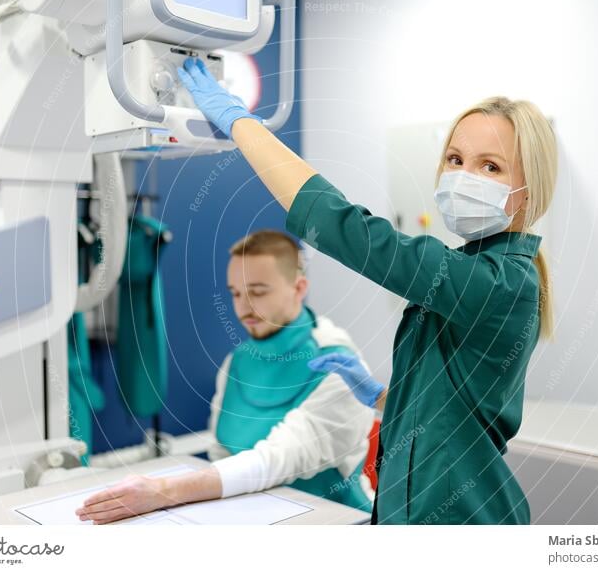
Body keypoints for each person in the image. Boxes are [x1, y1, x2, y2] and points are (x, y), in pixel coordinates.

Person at [169, 58, 558, 525]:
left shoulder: (501, 283)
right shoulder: (476, 270)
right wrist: (384, 398)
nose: (463, 176)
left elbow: (350, 230)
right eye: (455, 159)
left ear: (530, 191)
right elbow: (454, 415)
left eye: (489, 166)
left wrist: (241, 125)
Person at [76, 230, 375, 524]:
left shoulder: (340, 366)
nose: (244, 307)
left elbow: (279, 459)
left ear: (299, 288)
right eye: (235, 293)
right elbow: (221, 451)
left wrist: (163, 491)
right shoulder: (237, 363)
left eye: (258, 292)